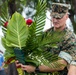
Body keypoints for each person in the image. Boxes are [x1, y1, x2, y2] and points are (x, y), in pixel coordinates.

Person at [16, 3, 76, 75]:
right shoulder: (45, 34)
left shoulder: (70, 38)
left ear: (67, 17)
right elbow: (34, 53)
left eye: (58, 18)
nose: (55, 20)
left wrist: (36, 69)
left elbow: (60, 65)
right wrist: (22, 61)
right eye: (53, 17)